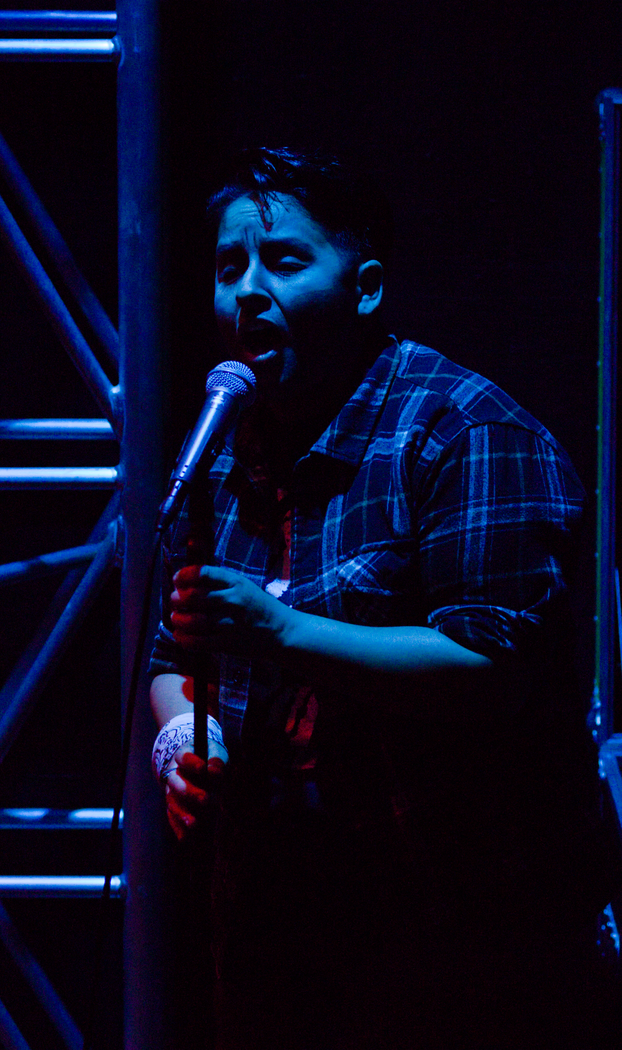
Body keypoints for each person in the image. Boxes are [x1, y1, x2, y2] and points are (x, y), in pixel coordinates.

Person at [149, 147, 615, 1049]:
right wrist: (182, 738)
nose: (246, 290)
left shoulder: (466, 431)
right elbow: (178, 654)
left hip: (463, 938)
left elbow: (491, 667)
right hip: (276, 929)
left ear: (364, 288)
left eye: (282, 262)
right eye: (227, 267)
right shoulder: (224, 445)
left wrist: (283, 632)